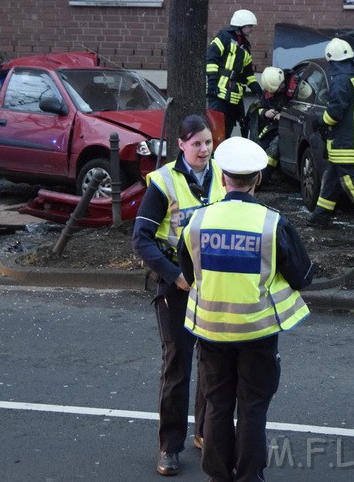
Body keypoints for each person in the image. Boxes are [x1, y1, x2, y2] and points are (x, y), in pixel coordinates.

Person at [178, 136, 315, 482]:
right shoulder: (273, 224)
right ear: (258, 179)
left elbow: (189, 271)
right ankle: (249, 475)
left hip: (211, 331)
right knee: (252, 408)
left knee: (218, 404)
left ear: (222, 177)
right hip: (257, 332)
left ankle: (218, 475)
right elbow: (302, 277)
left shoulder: (196, 221)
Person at [132, 114, 225, 476]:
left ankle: (205, 433)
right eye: (197, 143)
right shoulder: (164, 183)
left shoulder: (223, 174)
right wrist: (174, 276)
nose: (204, 149)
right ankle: (170, 447)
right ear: (181, 145)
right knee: (178, 366)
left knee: (213, 363)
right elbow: (141, 240)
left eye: (208, 142)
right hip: (176, 288)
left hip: (214, 285)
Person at [306, 38, 354, 227]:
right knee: (332, 179)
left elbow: (335, 112)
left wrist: (320, 121)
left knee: (351, 183)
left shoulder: (341, 80)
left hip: (345, 142)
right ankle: (320, 216)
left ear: (331, 60)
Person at [207, 9, 264, 145]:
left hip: (233, 96)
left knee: (228, 130)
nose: (251, 29)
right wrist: (212, 83)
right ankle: (212, 160)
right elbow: (211, 60)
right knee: (215, 128)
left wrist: (257, 90)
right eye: (249, 26)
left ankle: (222, 162)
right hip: (219, 93)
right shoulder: (223, 38)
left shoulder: (245, 47)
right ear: (240, 25)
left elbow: (248, 74)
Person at [252, 65, 296, 181]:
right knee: (259, 146)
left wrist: (284, 115)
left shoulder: (296, 86)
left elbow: (302, 108)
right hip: (274, 126)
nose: (279, 90)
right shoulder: (270, 89)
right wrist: (266, 113)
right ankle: (250, 176)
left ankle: (261, 180)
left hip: (290, 127)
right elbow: (260, 107)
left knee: (274, 149)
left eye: (280, 88)